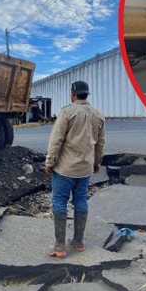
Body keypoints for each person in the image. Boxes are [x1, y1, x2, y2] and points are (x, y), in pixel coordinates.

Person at [44, 81, 105, 258]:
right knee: (80, 201)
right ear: (87, 94)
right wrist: (96, 163)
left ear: (73, 94)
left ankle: (60, 246)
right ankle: (78, 242)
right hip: (85, 169)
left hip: (65, 168)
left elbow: (56, 141)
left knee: (59, 202)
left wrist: (49, 162)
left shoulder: (67, 112)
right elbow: (100, 144)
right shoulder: (98, 115)